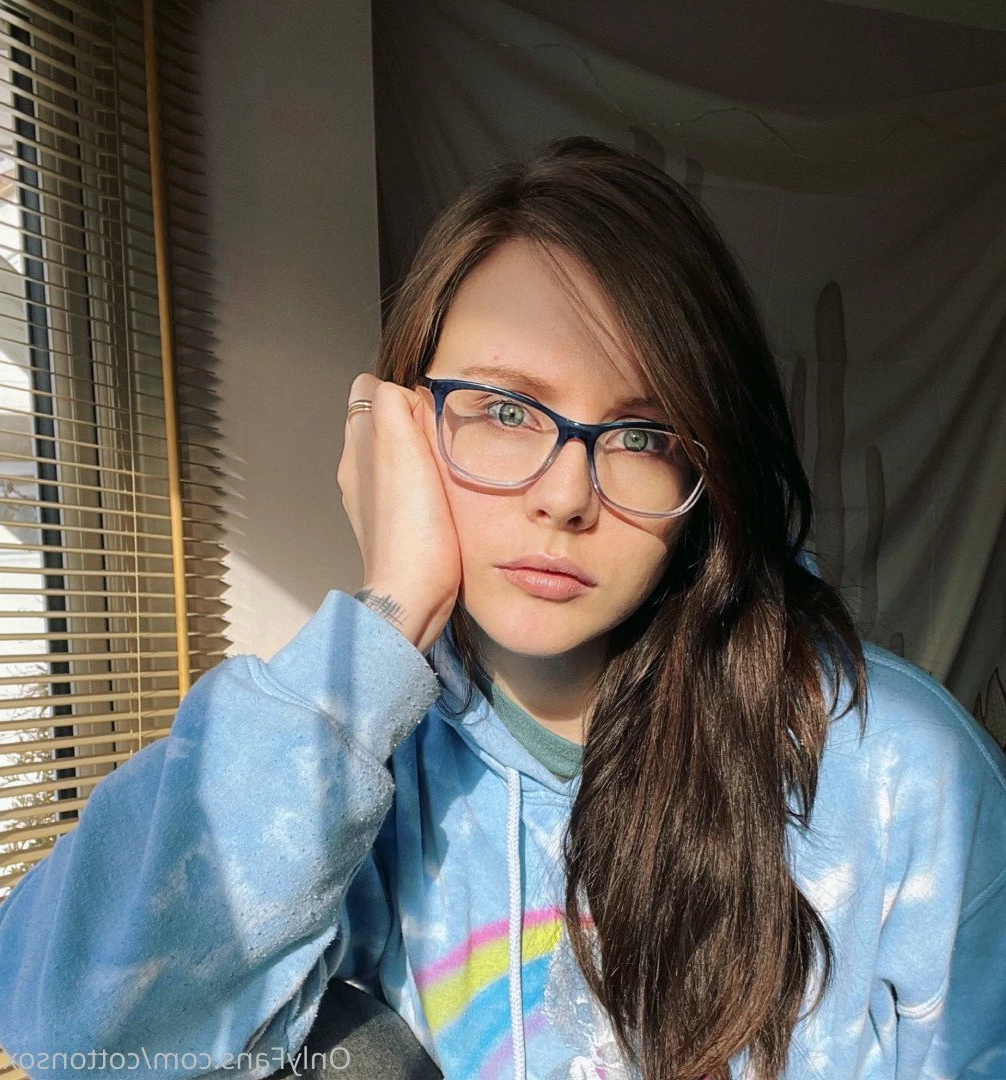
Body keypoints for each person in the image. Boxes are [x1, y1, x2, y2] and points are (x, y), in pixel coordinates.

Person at [1, 135, 1004, 1080]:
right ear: (400, 427)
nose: (565, 496)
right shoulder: (355, 771)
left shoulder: (897, 774)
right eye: (505, 410)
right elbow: (93, 1040)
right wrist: (389, 616)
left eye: (643, 435)